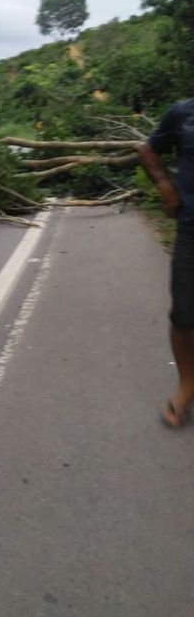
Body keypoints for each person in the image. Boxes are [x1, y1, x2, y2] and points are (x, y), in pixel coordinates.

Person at [140, 99, 194, 427]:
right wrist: (163, 186)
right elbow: (148, 150)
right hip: (192, 231)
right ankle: (187, 386)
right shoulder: (182, 112)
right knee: (185, 315)